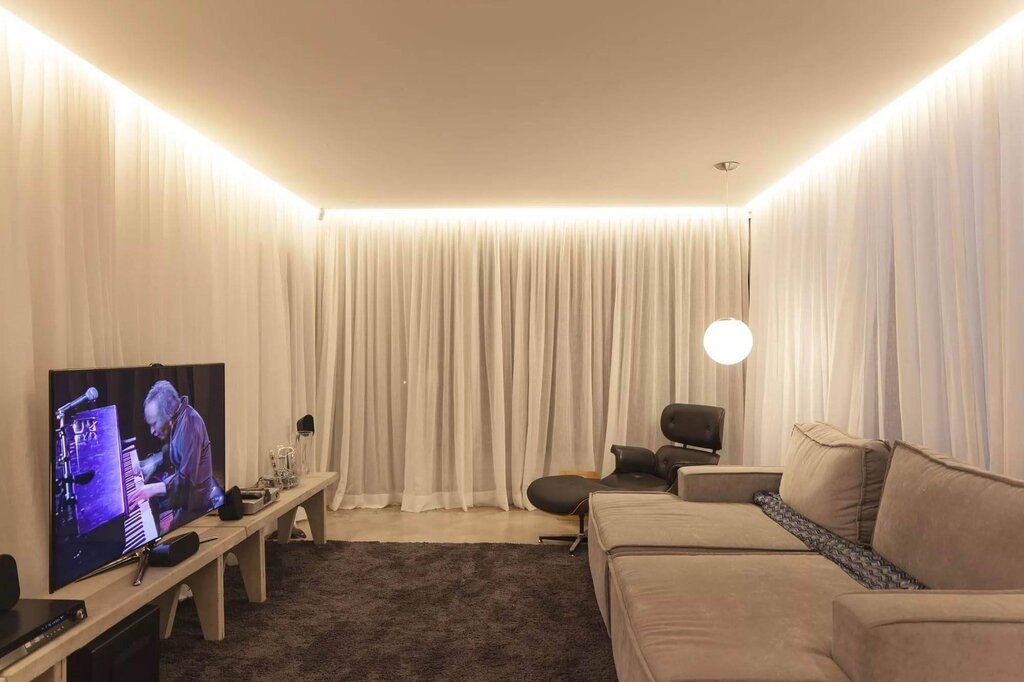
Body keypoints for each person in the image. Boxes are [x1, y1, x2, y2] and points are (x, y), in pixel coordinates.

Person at [129, 380, 224, 530]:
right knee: (148, 504)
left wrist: (153, 489)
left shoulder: (191, 425)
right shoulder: (179, 417)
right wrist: (151, 462)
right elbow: (174, 450)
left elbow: (186, 480)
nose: (152, 431)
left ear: (169, 415)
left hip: (195, 500)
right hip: (186, 491)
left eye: (154, 424)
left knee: (166, 539)